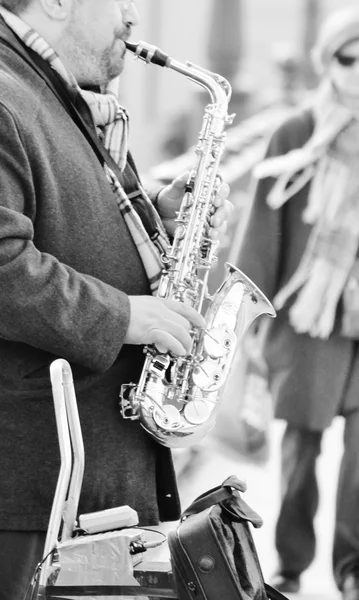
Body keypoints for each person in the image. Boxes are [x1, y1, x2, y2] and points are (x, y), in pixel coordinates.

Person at [0, 1, 232, 598]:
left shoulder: (47, 87)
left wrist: (156, 216)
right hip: (31, 489)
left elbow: (64, 223)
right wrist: (127, 315)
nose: (132, 17)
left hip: (85, 474)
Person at [233, 7, 359, 599]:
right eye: (347, 56)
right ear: (325, 62)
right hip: (307, 322)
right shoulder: (297, 131)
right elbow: (261, 231)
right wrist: (248, 322)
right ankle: (288, 563)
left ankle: (352, 568)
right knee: (301, 451)